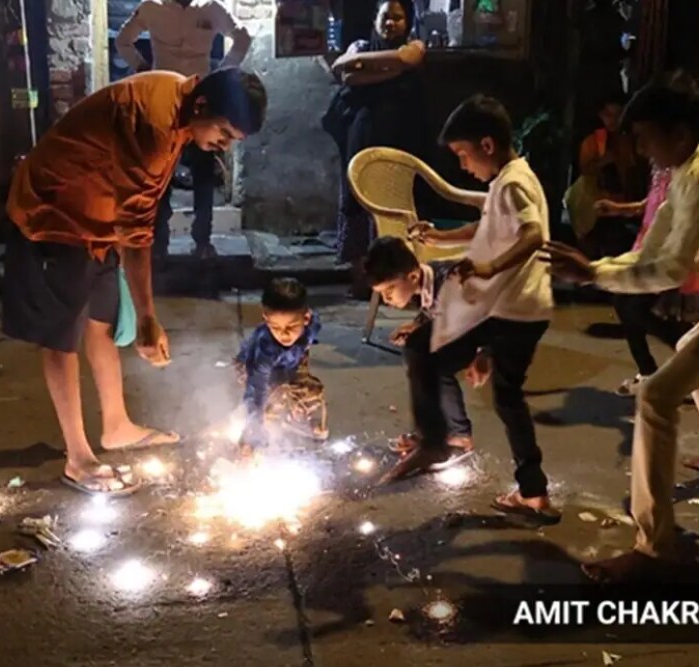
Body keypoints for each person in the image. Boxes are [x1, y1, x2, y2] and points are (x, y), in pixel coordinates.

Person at [544, 71, 699, 582]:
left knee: (657, 395)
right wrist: (597, 271)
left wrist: (594, 273)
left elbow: (668, 269)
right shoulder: (684, 175)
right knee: (688, 349)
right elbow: (648, 253)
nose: (638, 149)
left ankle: (654, 549)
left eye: (644, 136)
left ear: (679, 135)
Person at [5, 68, 267, 495]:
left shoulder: (182, 96)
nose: (224, 145)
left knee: (101, 323)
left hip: (97, 219)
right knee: (61, 337)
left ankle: (116, 427)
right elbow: (138, 231)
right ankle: (78, 458)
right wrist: (148, 317)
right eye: (223, 132)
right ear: (202, 106)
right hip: (56, 213)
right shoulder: (152, 123)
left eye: (233, 139)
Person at [365, 93, 557, 523]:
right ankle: (534, 495)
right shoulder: (508, 181)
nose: (463, 166)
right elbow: (487, 225)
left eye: (463, 156)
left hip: (509, 310)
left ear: (486, 146)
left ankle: (436, 440)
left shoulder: (513, 183)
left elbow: (532, 235)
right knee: (507, 399)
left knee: (421, 349)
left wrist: (489, 266)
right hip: (522, 312)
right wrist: (441, 238)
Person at [117, 0, 252, 261]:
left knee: (203, 176)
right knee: (160, 177)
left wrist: (221, 73)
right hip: (161, 103)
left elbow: (242, 38)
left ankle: (202, 242)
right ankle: (159, 244)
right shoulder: (152, 7)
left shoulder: (211, 7)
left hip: (201, 104)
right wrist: (143, 68)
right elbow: (123, 41)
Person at [594, 135, 699, 397]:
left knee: (635, 309)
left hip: (669, 253)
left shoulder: (695, 163)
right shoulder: (663, 164)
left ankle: (691, 366)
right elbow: (650, 204)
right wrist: (619, 209)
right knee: (627, 306)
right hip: (647, 249)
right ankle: (655, 373)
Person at [322, 0, 427, 298]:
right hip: (361, 138)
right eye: (386, 17)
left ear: (408, 22)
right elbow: (343, 69)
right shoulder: (359, 44)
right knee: (357, 205)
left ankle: (397, 283)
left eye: (398, 18)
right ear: (375, 19)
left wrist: (368, 67)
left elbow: (411, 56)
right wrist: (397, 65)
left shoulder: (417, 45)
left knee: (394, 207)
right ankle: (362, 280)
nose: (391, 23)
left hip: (401, 140)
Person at [234, 277, 327, 456]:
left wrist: (298, 369)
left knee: (309, 392)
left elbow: (305, 346)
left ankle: (297, 418)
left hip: (291, 361)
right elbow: (256, 387)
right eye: (275, 327)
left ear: (306, 318)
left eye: (291, 327)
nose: (283, 334)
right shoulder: (265, 347)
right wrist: (253, 430)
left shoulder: (313, 325)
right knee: (269, 399)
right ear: (265, 319)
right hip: (255, 368)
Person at [563, 95, 649, 259]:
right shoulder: (593, 141)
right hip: (596, 204)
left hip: (623, 204)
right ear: (601, 115)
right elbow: (586, 170)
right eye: (608, 115)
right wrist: (605, 159)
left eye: (617, 115)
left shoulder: (630, 140)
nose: (613, 120)